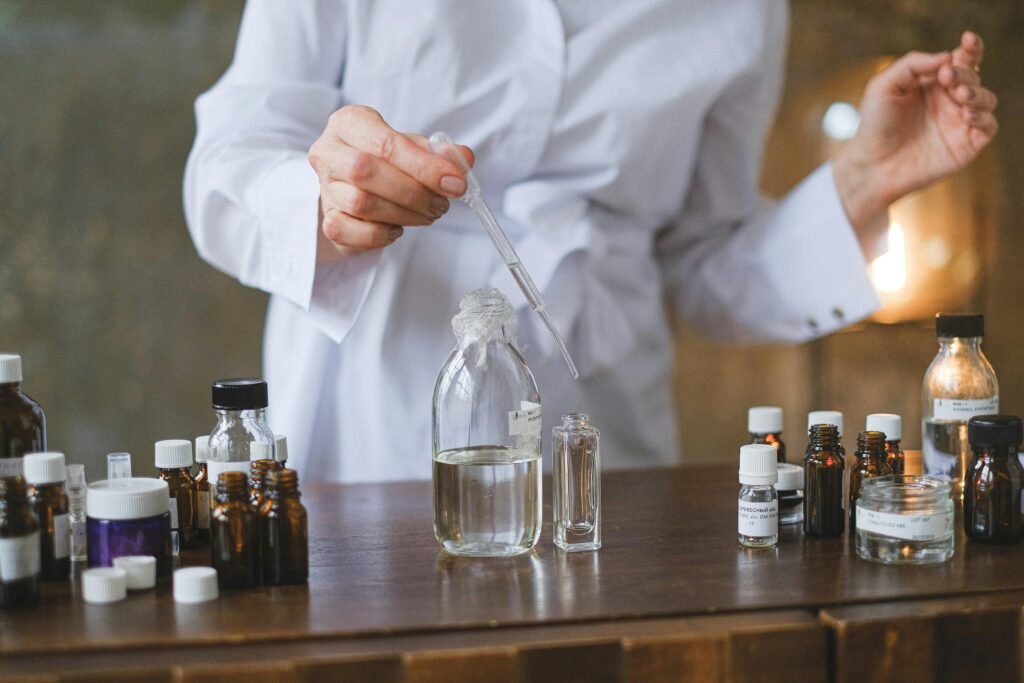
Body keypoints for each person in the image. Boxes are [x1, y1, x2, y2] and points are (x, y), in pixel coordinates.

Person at [184, 2, 997, 483]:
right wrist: (326, 199)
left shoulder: (742, 11)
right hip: (371, 417)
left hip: (601, 438)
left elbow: (703, 264)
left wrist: (861, 183)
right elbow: (225, 165)